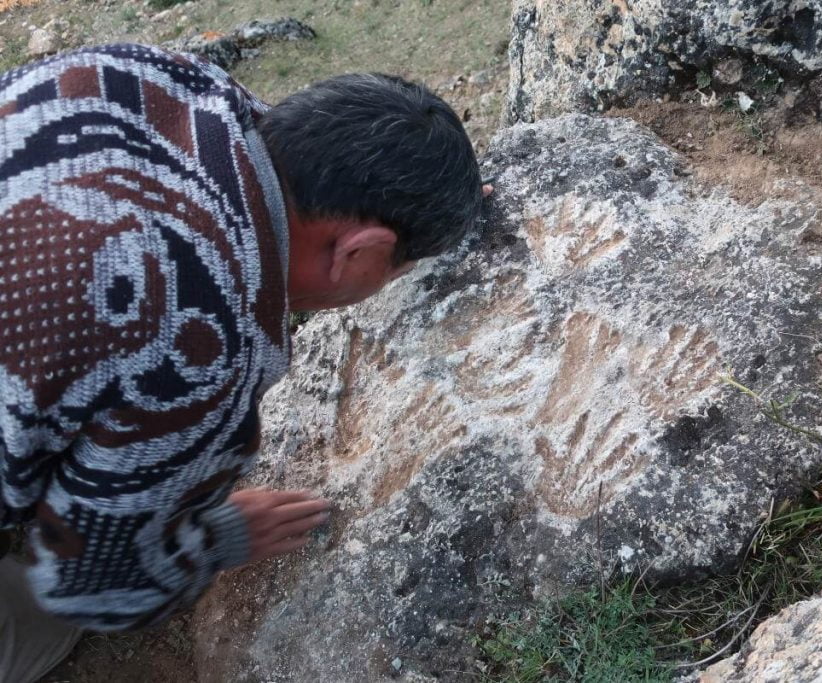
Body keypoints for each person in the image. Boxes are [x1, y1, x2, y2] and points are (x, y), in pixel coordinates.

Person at [0, 42, 485, 680]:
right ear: (360, 251)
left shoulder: (143, 71)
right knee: (41, 620)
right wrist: (210, 539)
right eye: (402, 267)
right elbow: (90, 586)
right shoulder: (203, 347)